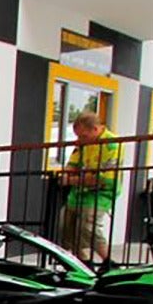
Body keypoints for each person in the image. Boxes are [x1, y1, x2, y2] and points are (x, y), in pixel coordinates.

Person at [57, 111, 121, 264]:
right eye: (78, 136)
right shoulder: (82, 144)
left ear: (95, 129)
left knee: (88, 224)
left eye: (83, 136)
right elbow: (71, 166)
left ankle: (108, 262)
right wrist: (68, 176)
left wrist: (71, 180)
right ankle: (81, 263)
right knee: (65, 225)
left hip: (102, 192)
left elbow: (101, 179)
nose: (79, 140)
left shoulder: (111, 144)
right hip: (79, 191)